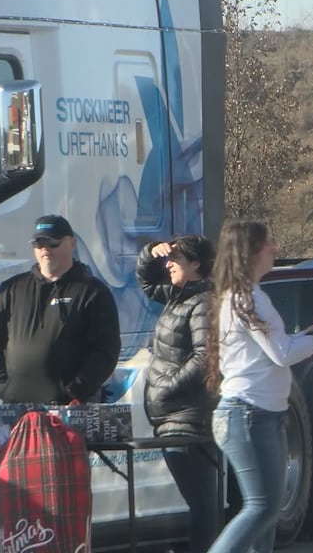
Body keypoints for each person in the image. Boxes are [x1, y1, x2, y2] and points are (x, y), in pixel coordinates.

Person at [205, 219, 313, 553]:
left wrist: (310, 334)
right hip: (248, 415)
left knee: (267, 512)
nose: (275, 248)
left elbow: (273, 349)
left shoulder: (245, 297)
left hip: (261, 414)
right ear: (251, 252)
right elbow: (282, 354)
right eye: (269, 243)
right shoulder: (247, 299)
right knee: (262, 507)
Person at [0, 215, 121, 403]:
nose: (45, 249)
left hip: (71, 407)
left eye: (52, 242)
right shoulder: (12, 289)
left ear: (72, 243)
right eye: (39, 244)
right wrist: (2, 387)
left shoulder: (93, 291)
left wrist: (77, 390)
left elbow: (106, 349)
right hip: (18, 406)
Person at [136, 234, 218, 553]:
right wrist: (151, 253)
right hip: (174, 416)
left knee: (202, 503)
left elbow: (204, 357)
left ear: (196, 264)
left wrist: (165, 387)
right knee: (201, 502)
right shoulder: (177, 297)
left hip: (188, 418)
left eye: (177, 259)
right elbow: (145, 281)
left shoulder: (201, 303)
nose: (169, 264)